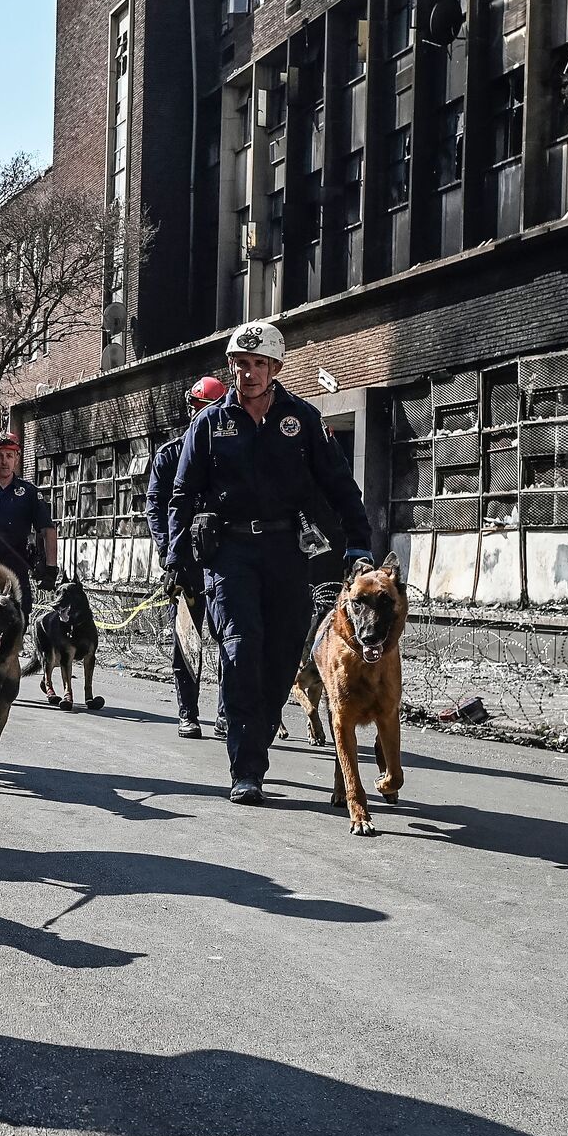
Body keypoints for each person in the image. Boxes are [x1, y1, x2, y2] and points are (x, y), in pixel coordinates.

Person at [167, 322, 373, 805]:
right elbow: (181, 494)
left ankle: (256, 735)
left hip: (285, 551)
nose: (250, 373)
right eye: (241, 364)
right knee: (241, 650)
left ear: (276, 368)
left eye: (259, 364)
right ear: (232, 367)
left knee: (282, 655)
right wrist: (178, 555)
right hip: (230, 553)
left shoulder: (302, 420)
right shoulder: (209, 423)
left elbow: (340, 486)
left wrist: (358, 545)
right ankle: (247, 766)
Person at [144, 375, 226, 737]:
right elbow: (156, 508)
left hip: (225, 560)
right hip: (186, 565)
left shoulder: (231, 455)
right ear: (190, 410)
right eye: (200, 409)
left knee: (230, 639)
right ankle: (188, 712)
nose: (205, 416)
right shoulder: (170, 455)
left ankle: (227, 714)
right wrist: (169, 555)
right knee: (187, 639)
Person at [0, 430, 58, 611]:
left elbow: (47, 530)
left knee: (17, 627)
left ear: (17, 458)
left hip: (16, 571)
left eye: (9, 455)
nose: (5, 461)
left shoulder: (29, 493)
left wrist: (51, 568)